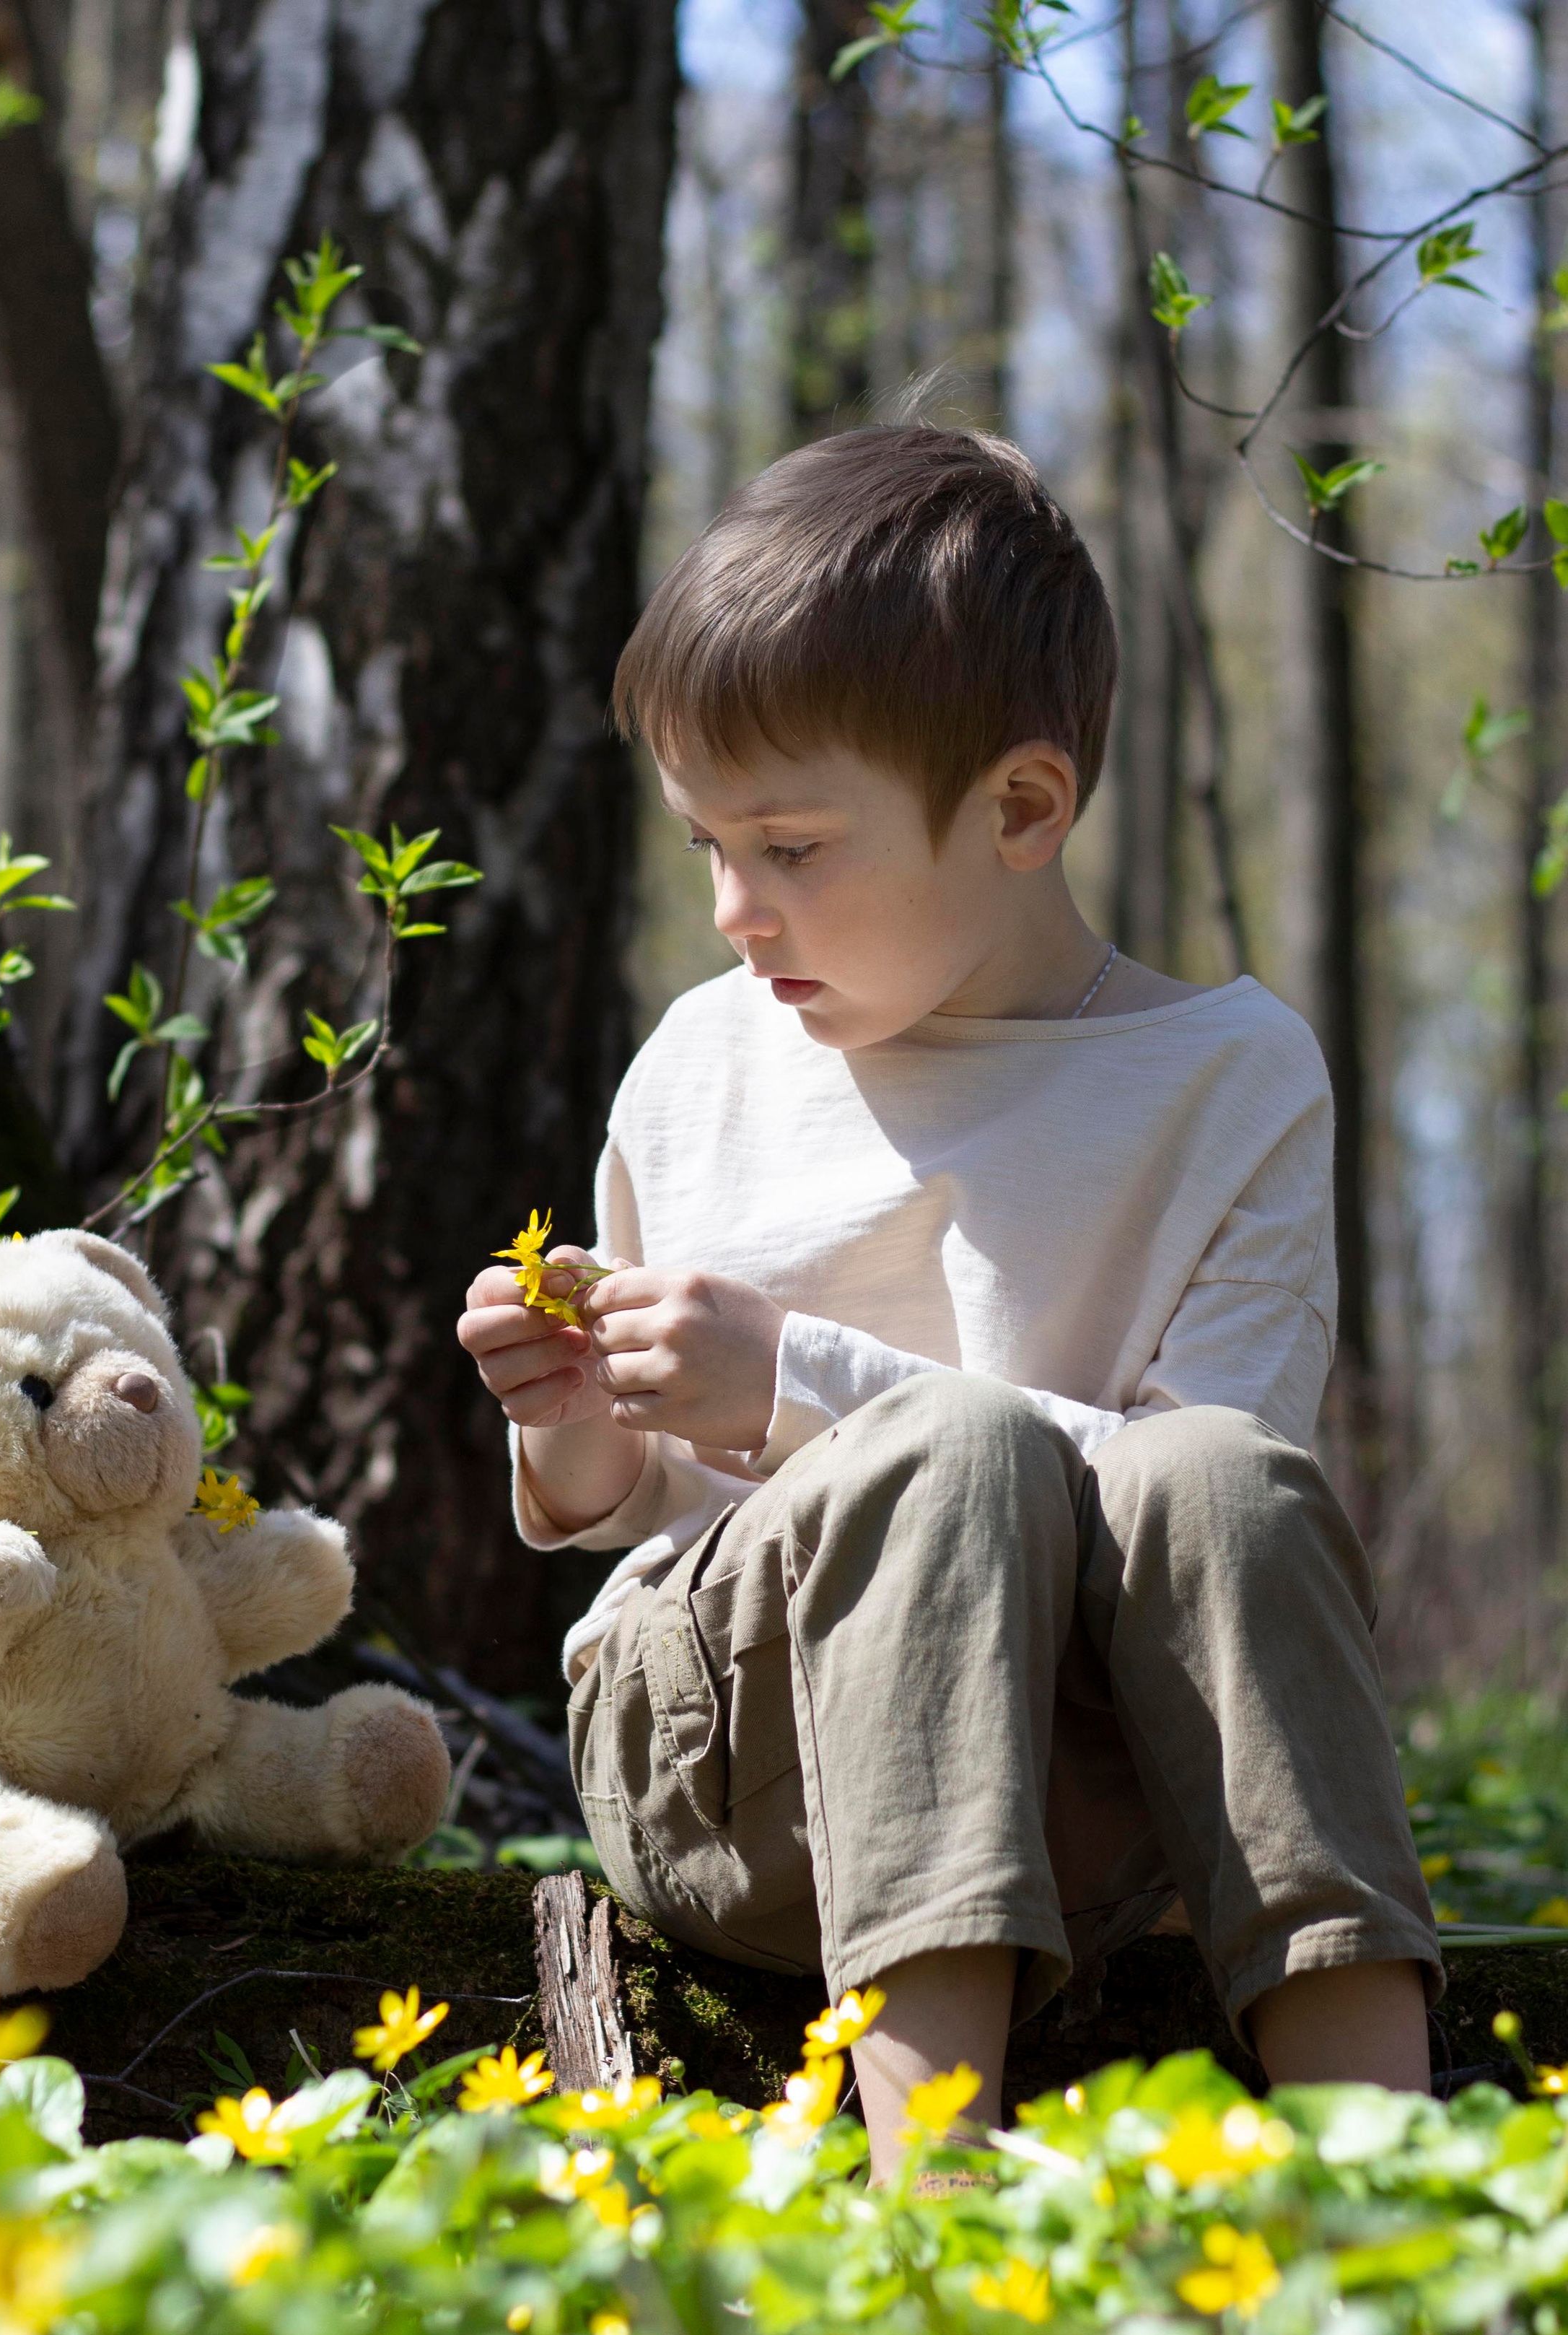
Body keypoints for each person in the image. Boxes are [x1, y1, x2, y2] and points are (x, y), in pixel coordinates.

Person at [456, 424, 1439, 2178]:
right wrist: (578, 1427)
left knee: (1198, 1471)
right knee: (949, 1447)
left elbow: (1209, 1523)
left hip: (1105, 1777)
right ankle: (936, 2208)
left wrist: (797, 1374)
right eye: (704, 844)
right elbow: (644, 1526)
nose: (733, 912)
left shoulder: (1227, 1079)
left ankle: (1395, 2192)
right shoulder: (703, 1062)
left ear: (1018, 809)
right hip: (735, 1785)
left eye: (790, 845)